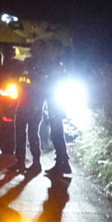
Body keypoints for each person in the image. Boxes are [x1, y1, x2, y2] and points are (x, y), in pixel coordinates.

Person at [15, 39, 49, 172]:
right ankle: (20, 162)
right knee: (19, 132)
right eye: (33, 48)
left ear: (41, 49)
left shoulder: (43, 64)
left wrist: (37, 104)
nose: (33, 50)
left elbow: (43, 86)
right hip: (23, 101)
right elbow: (22, 80)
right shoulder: (28, 62)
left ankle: (36, 163)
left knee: (33, 134)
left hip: (34, 102)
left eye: (36, 48)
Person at [42, 39, 72, 176]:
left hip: (56, 102)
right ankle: (63, 163)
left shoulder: (57, 63)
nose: (49, 51)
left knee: (57, 134)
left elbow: (52, 82)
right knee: (57, 133)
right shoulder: (60, 62)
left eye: (51, 48)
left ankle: (62, 163)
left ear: (56, 50)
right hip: (55, 101)